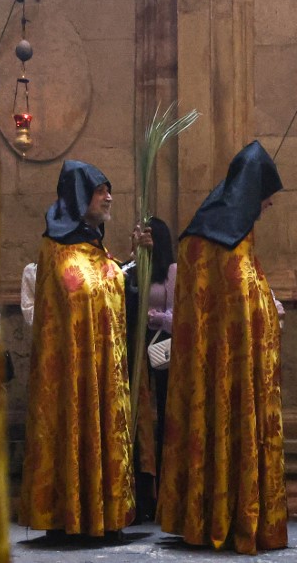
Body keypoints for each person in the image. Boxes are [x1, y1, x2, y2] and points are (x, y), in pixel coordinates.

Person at [156, 141, 288, 554]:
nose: (267, 206)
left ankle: (198, 513)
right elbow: (244, 302)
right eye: (266, 198)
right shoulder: (231, 246)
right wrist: (268, 306)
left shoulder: (200, 235)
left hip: (203, 371)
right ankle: (235, 515)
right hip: (234, 371)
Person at [19, 160, 146, 539]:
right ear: (79, 195)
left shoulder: (95, 245)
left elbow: (106, 287)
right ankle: (67, 516)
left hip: (103, 370)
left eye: (109, 190)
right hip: (69, 374)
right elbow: (74, 296)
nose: (109, 197)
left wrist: (135, 261)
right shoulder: (56, 249)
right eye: (100, 190)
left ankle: (104, 515)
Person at [123, 217, 176, 522]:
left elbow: (177, 314)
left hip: (162, 350)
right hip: (137, 351)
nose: (147, 239)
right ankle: (144, 492)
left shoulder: (171, 271)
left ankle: (165, 491)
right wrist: (133, 255)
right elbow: (126, 294)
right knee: (140, 420)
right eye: (143, 234)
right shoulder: (135, 269)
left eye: (152, 235)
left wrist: (151, 316)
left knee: (165, 416)